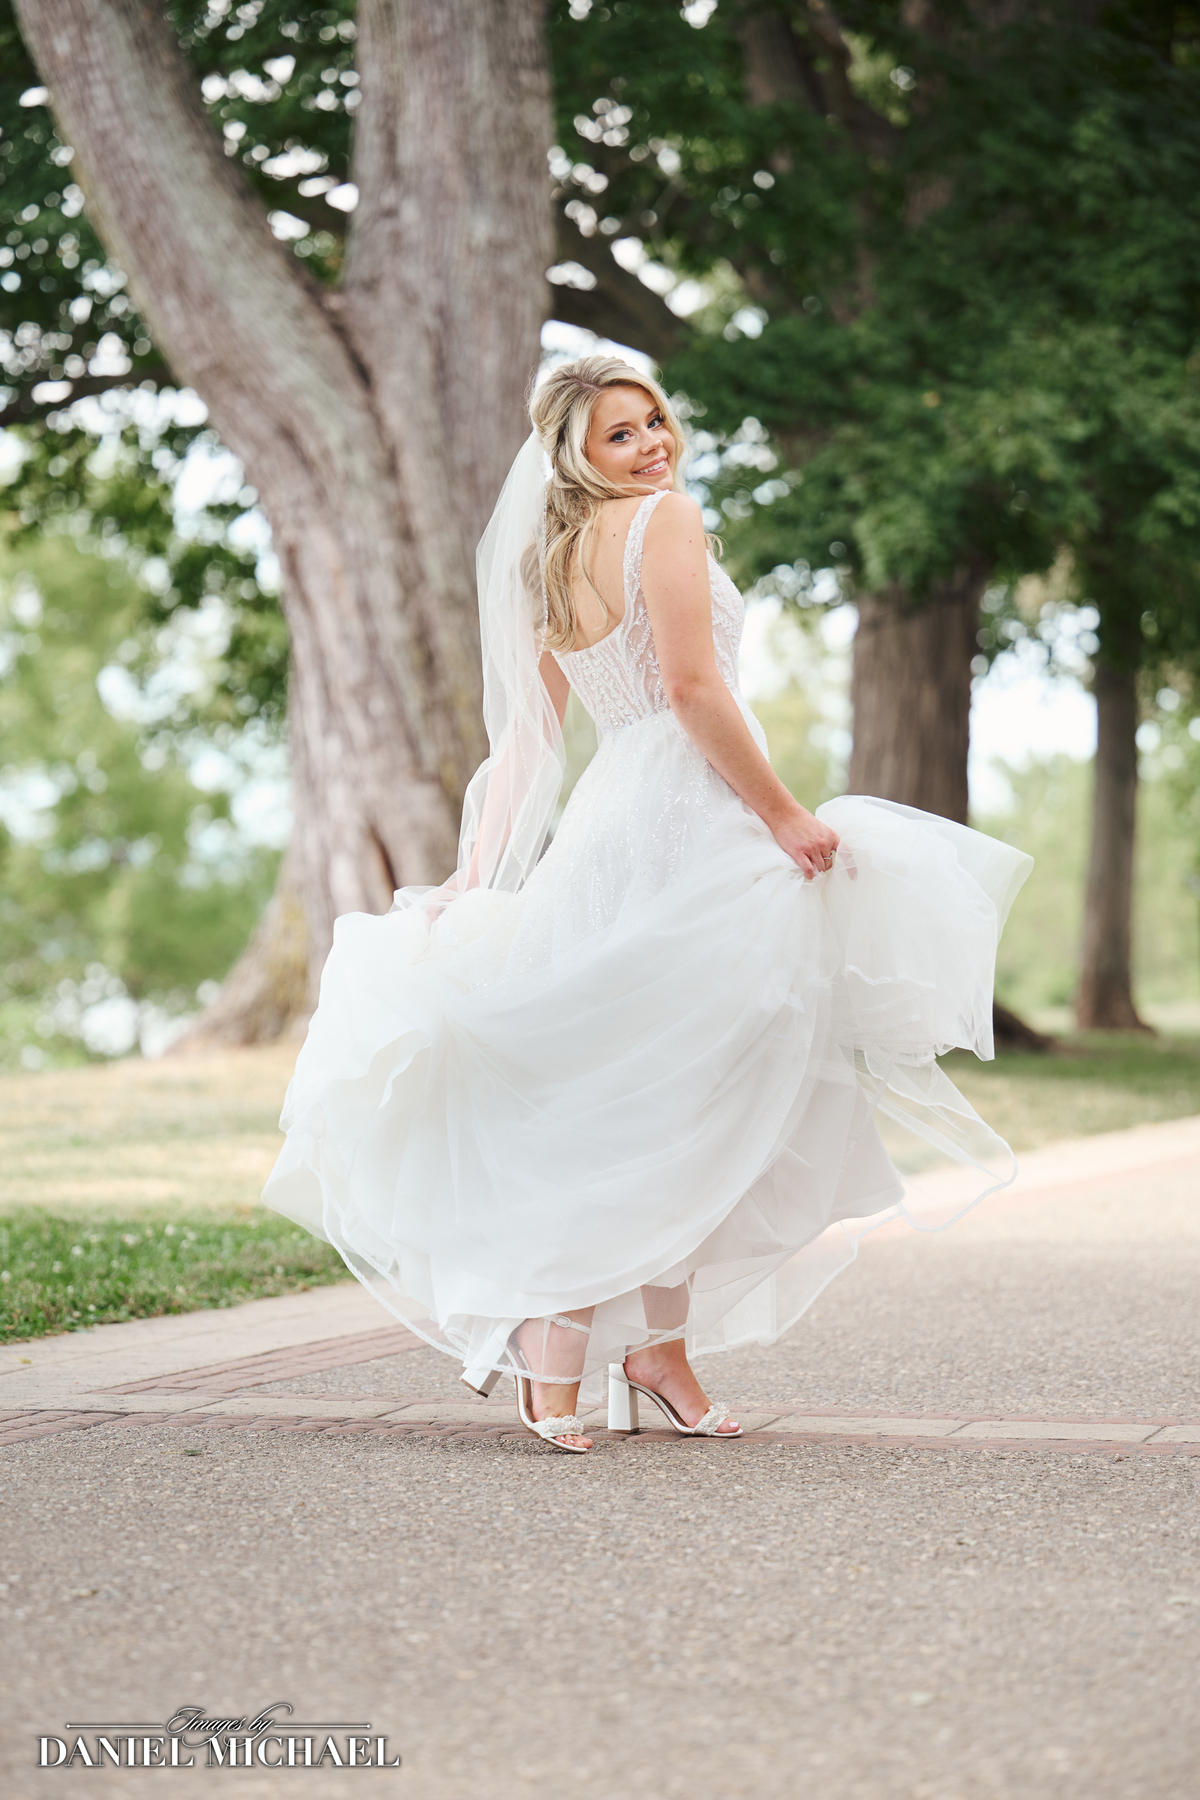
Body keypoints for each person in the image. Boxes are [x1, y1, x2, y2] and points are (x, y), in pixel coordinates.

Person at [264, 354, 1031, 1455]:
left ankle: (650, 1346)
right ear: (574, 452)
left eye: (654, 422)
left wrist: (487, 871)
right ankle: (562, 1328)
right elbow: (690, 690)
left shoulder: (550, 554)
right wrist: (780, 815)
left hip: (610, 823)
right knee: (686, 1080)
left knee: (663, 1076)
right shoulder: (665, 519)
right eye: (619, 434)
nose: (651, 446)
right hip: (691, 815)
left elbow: (528, 744)